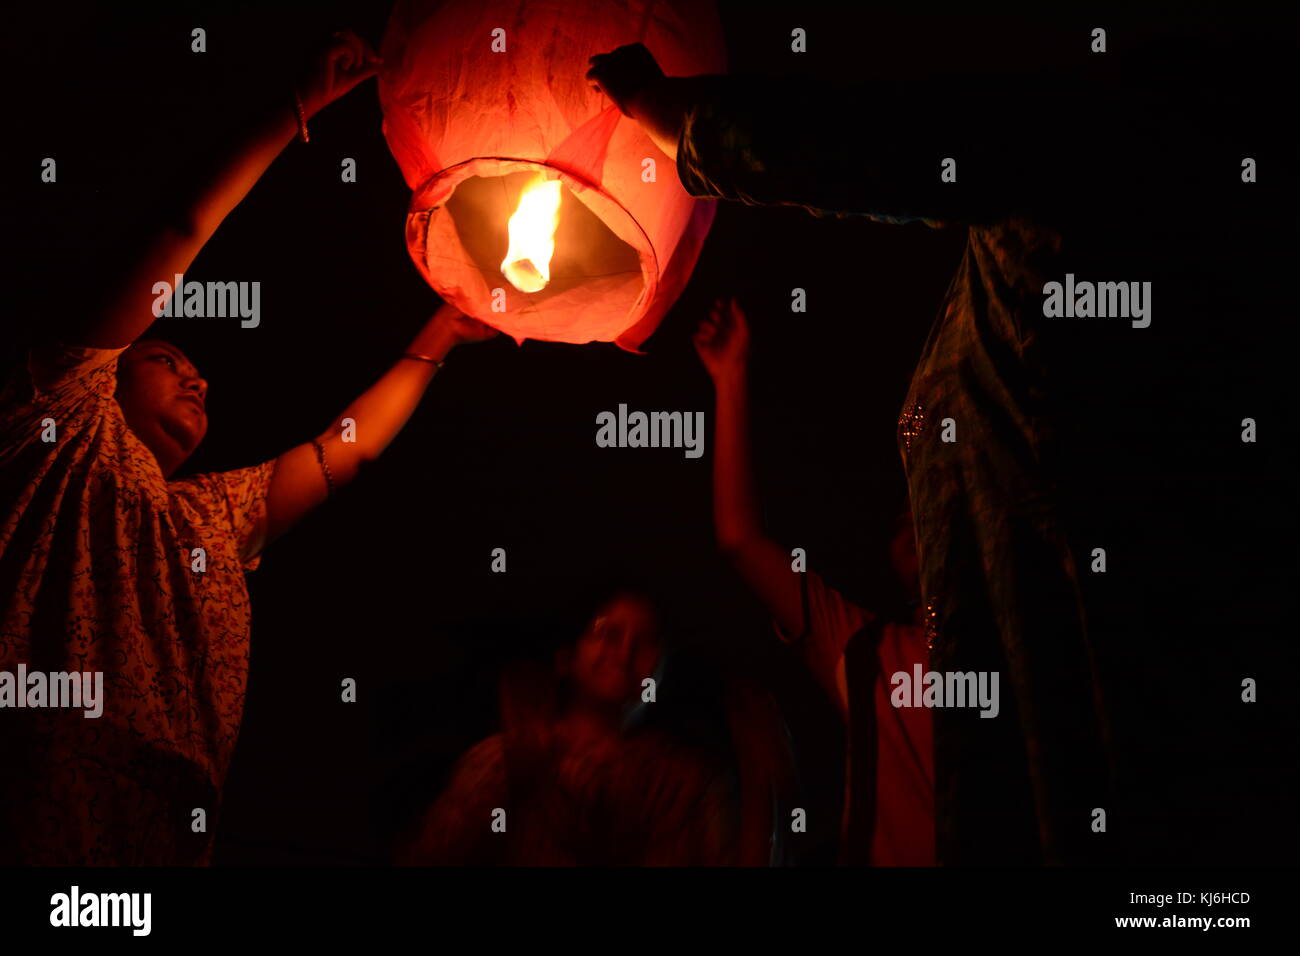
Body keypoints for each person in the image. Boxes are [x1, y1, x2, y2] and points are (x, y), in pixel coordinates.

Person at [586, 41, 1286, 865]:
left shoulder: (1094, 148)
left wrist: (670, 115)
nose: (918, 523)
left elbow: (864, 145)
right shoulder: (887, 654)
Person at [0, 30, 497, 865]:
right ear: (109, 373)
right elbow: (177, 231)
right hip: (42, 791)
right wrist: (297, 109)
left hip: (171, 828)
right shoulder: (62, 430)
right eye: (167, 359)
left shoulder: (210, 519)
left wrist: (440, 334)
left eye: (198, 372)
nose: (199, 381)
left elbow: (348, 453)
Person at [695, 296, 933, 866]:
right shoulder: (873, 653)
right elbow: (742, 541)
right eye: (904, 509)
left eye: (928, 502)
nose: (911, 514)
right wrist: (731, 379)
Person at [396, 591, 740, 866]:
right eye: (607, 632)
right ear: (567, 658)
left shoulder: (682, 779)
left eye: (646, 641)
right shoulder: (504, 758)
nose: (625, 650)